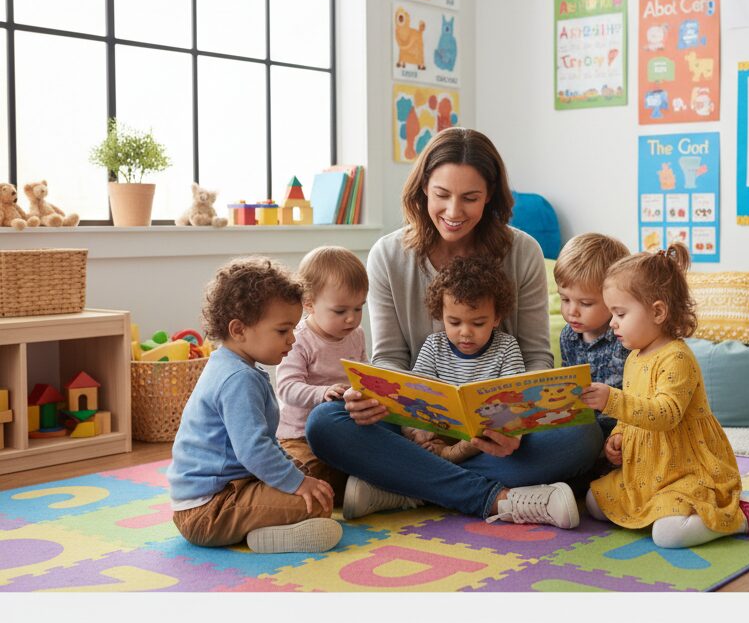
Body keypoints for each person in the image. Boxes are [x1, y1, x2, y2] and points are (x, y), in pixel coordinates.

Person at [306, 127, 603, 529]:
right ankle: (493, 498)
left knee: (581, 437)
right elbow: (390, 359)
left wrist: (515, 423)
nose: (453, 211)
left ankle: (401, 487)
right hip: (415, 424)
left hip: (500, 428)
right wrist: (373, 399)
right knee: (326, 424)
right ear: (423, 189)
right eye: (442, 195)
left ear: (492, 197)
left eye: (470, 198)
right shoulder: (388, 256)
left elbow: (536, 358)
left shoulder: (524, 253)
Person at [580, 246, 749, 549]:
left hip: (683, 469)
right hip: (645, 471)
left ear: (658, 312)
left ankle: (739, 518)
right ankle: (685, 510)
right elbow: (634, 412)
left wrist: (611, 400)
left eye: (620, 314)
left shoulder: (676, 357)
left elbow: (664, 414)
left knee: (667, 535)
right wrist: (617, 437)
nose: (612, 323)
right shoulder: (634, 357)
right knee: (594, 502)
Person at [167, 257, 341, 554]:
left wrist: (298, 476)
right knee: (316, 503)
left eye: (294, 329)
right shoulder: (237, 379)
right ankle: (266, 538)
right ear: (239, 330)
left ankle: (273, 522)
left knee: (316, 486)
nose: (293, 339)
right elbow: (254, 449)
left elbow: (262, 445)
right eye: (282, 331)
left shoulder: (233, 365)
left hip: (230, 490)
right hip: (208, 511)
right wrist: (298, 484)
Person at [408, 255, 525, 463]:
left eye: (478, 323)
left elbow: (514, 403)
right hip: (439, 432)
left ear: (496, 318)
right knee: (402, 423)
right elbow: (416, 395)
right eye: (454, 322)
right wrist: (418, 429)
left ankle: (449, 459)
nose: (465, 333)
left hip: (482, 441)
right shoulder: (434, 346)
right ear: (441, 315)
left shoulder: (506, 347)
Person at [276, 246, 368, 496]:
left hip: (342, 429)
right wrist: (322, 393)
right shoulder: (298, 339)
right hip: (298, 436)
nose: (352, 319)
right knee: (309, 475)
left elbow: (364, 375)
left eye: (359, 308)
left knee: (373, 462)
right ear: (309, 304)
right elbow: (287, 388)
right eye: (340, 311)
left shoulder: (356, 335)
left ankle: (359, 488)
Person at [554, 232, 630, 439]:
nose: (572, 311)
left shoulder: (626, 338)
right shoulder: (568, 336)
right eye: (565, 299)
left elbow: (641, 398)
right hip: (582, 427)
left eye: (585, 303)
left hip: (623, 430)